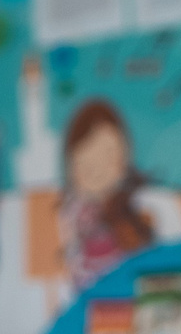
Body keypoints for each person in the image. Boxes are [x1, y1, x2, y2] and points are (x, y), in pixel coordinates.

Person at [57, 98, 156, 292]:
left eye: (109, 155)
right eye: (88, 162)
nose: (99, 170)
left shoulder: (132, 208)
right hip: (91, 296)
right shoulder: (74, 212)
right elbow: (71, 263)